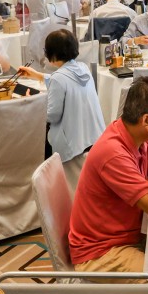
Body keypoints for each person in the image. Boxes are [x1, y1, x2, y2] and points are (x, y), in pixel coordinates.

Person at [69, 76, 148, 270]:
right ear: (146, 119)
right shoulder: (113, 153)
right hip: (101, 252)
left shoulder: (139, 137)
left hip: (128, 236)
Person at [18, 29, 106, 190]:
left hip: (74, 145)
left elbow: (52, 115)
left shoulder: (59, 78)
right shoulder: (82, 68)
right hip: (93, 137)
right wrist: (38, 76)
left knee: (37, 139)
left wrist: (32, 101)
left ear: (51, 53)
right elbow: (66, 81)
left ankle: (40, 190)